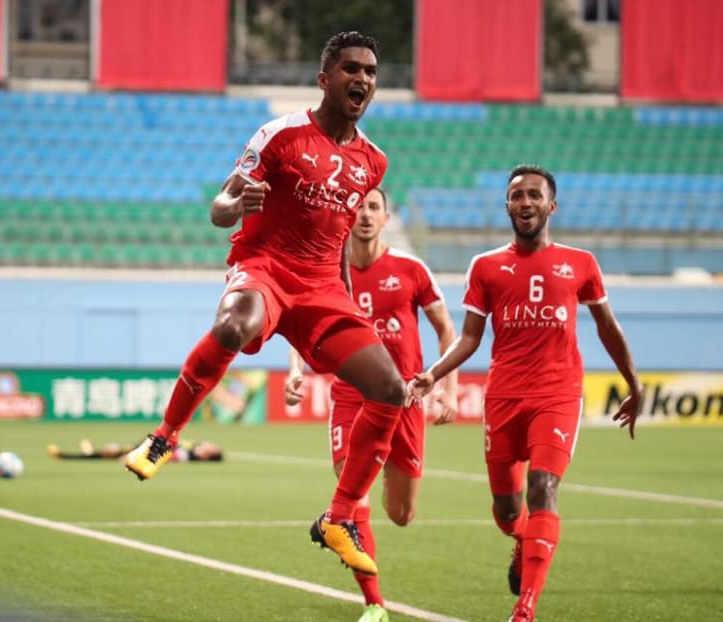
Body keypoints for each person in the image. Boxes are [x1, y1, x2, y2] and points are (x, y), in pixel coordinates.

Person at [124, 31, 406, 576]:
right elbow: (219, 205)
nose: (363, 79)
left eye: (371, 71)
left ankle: (338, 518)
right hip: (266, 269)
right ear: (325, 79)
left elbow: (343, 238)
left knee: (390, 389)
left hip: (323, 287)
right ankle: (164, 437)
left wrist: (347, 302)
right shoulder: (280, 135)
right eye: (351, 69)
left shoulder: (373, 161)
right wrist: (237, 203)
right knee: (235, 325)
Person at [407, 165, 643, 622]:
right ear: (507, 206)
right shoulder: (486, 266)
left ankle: (525, 608)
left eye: (535, 195)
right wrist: (431, 374)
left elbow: (607, 326)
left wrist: (633, 381)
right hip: (504, 397)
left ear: (551, 206)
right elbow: (471, 337)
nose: (526, 202)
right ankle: (521, 539)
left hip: (558, 393)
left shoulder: (581, 264)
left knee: (543, 487)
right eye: (517, 196)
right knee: (506, 509)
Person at [284, 187, 459, 622]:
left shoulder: (411, 269)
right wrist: (296, 371)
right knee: (352, 497)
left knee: (401, 514)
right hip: (351, 397)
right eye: (357, 207)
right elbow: (302, 325)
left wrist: (446, 386)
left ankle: (370, 491)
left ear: (386, 217)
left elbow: (447, 331)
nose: (364, 214)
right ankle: (375, 604)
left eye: (373, 207)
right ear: (346, 216)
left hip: (405, 401)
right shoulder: (326, 273)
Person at [48, 438, 223, 462]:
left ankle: (71, 455)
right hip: (143, 447)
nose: (209, 443)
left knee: (110, 452)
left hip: (141, 452)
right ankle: (86, 453)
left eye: (212, 447)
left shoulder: (186, 454)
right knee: (110, 451)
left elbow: (167, 456)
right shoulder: (189, 447)